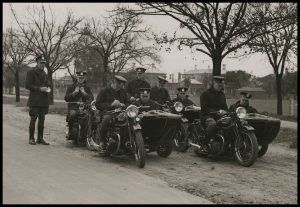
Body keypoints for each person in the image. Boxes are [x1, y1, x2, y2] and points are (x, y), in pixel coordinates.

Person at [95, 75, 128, 152]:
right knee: (107, 119)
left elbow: (127, 102)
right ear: (114, 82)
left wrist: (124, 105)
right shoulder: (104, 91)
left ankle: (127, 142)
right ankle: (102, 142)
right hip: (107, 112)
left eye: (123, 84)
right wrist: (111, 105)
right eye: (120, 84)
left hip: (121, 113)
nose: (121, 86)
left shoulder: (123, 92)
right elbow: (98, 104)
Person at [25, 55, 51, 145]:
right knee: (33, 118)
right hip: (34, 100)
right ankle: (31, 138)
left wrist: (48, 86)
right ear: (37, 62)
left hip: (44, 100)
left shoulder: (45, 73)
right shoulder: (31, 72)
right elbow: (27, 85)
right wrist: (39, 88)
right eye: (41, 62)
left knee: (42, 119)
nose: (43, 64)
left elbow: (48, 83)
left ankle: (40, 138)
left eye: (44, 63)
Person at [64, 70, 94, 141]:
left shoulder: (87, 88)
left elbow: (92, 98)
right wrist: (74, 93)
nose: (81, 79)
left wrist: (84, 93)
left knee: (89, 116)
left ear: (84, 78)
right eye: (79, 77)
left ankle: (86, 134)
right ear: (77, 77)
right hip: (73, 107)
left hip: (84, 108)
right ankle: (70, 130)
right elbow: (66, 98)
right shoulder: (71, 87)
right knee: (72, 114)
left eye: (82, 78)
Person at [200, 76, 228, 148]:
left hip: (219, 116)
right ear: (213, 83)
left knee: (230, 123)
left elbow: (225, 107)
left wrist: (225, 111)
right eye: (218, 83)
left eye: (221, 83)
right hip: (206, 116)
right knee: (212, 124)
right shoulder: (205, 94)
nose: (220, 85)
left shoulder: (222, 95)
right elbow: (204, 108)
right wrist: (216, 111)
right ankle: (205, 144)